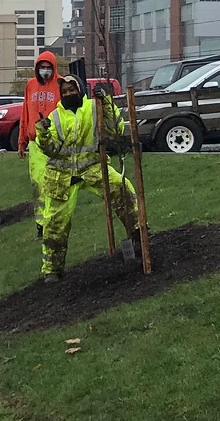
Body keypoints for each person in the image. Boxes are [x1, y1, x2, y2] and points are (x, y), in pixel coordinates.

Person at [34, 76, 140, 279]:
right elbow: (52, 151)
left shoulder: (94, 107)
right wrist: (44, 133)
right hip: (61, 176)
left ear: (80, 89)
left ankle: (138, 235)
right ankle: (52, 271)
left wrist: (106, 103)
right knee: (55, 223)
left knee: (121, 187)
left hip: (93, 167)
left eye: (72, 90)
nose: (68, 94)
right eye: (64, 92)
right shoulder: (55, 117)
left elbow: (116, 129)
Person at [17, 50, 63, 183]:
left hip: (53, 141)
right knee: (37, 182)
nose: (45, 70)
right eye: (42, 67)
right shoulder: (30, 85)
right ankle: (40, 204)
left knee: (53, 182)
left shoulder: (60, 84)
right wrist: (22, 142)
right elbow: (25, 113)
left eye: (48, 67)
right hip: (34, 142)